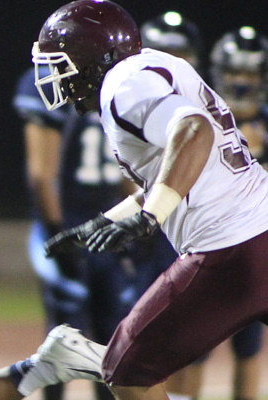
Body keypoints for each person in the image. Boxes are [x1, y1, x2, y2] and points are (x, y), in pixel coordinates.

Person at [0, 0, 268, 399]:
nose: (55, 78)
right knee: (128, 363)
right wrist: (113, 218)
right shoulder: (157, 65)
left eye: (61, 65)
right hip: (259, 228)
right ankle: (80, 356)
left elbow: (195, 131)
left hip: (228, 248)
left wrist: (150, 218)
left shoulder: (123, 87)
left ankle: (76, 356)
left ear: (92, 61)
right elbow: (184, 162)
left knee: (128, 374)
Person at [13, 61, 175, 399]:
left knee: (102, 339)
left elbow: (43, 173)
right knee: (83, 337)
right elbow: (44, 175)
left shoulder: (101, 87)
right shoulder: (114, 85)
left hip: (96, 220)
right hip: (87, 221)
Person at [149, 20, 267, 400]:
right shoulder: (203, 112)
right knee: (191, 349)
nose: (241, 82)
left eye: (249, 73)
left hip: (251, 243)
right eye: (233, 72)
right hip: (205, 244)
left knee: (248, 347)